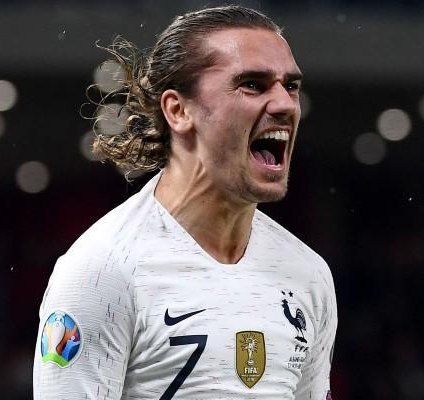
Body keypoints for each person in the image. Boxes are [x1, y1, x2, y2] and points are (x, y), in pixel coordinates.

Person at [33, 5, 337, 399]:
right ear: (178, 110)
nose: (285, 104)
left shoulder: (308, 275)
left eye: (290, 86)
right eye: (253, 85)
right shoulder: (102, 271)